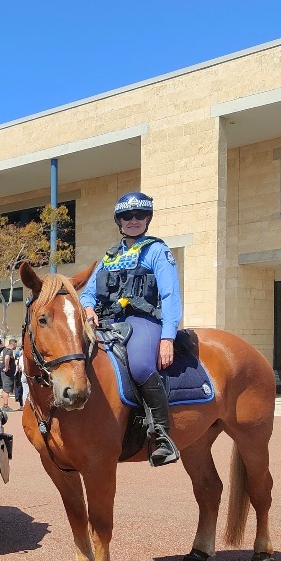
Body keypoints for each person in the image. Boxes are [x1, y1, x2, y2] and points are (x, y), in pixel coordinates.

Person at [80, 191, 182, 466]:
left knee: (138, 365)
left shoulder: (157, 251)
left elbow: (171, 296)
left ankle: (161, 435)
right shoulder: (109, 256)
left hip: (142, 322)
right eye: (127, 216)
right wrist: (88, 309)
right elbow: (87, 294)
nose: (133, 220)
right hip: (108, 323)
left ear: (148, 219)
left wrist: (167, 338)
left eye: (140, 215)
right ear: (119, 221)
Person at [5, 336, 22, 411]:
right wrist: (6, 367)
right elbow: (6, 358)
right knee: (6, 389)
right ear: (13, 344)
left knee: (7, 388)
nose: (16, 346)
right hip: (7, 373)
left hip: (8, 372)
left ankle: (5, 405)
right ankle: (5, 406)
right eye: (16, 344)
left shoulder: (4, 350)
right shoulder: (9, 351)